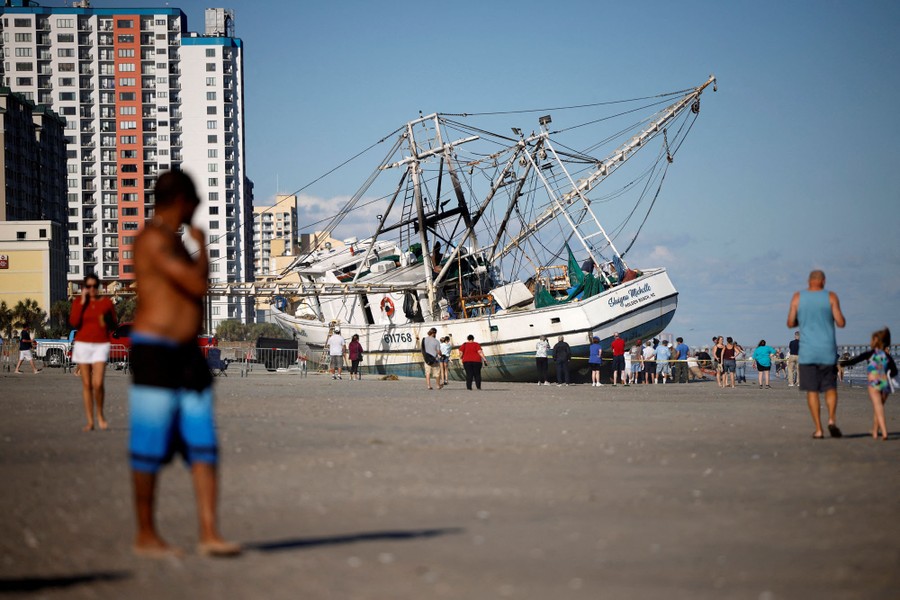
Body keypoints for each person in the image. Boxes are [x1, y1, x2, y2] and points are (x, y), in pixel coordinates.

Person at [128, 170, 239, 558]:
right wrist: (204, 247)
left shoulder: (172, 242)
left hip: (187, 353)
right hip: (155, 351)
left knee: (204, 443)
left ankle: (209, 532)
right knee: (148, 443)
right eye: (195, 201)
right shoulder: (152, 240)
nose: (198, 209)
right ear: (181, 201)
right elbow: (195, 285)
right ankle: (146, 534)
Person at [787, 269, 846, 439]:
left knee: (812, 390)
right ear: (824, 281)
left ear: (809, 281)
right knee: (830, 387)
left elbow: (791, 322)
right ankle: (832, 420)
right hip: (827, 350)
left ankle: (819, 430)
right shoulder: (831, 297)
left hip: (807, 352)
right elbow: (841, 322)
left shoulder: (798, 297)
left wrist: (803, 319)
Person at [69, 273, 117, 431]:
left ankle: (100, 415)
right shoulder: (78, 302)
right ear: (84, 288)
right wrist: (82, 302)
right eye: (88, 286)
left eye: (94, 286)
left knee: (98, 383)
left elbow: (114, 324)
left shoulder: (106, 303)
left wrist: (107, 320)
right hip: (83, 344)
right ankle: (90, 421)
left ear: (98, 287)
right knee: (87, 383)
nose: (91, 289)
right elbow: (74, 322)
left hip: (101, 344)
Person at [841, 328, 896, 440]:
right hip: (885, 383)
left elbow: (854, 361)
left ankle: (884, 432)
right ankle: (875, 431)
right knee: (879, 407)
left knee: (878, 406)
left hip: (874, 383)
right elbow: (894, 371)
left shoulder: (870, 353)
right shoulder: (887, 356)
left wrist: (840, 364)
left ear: (875, 342)